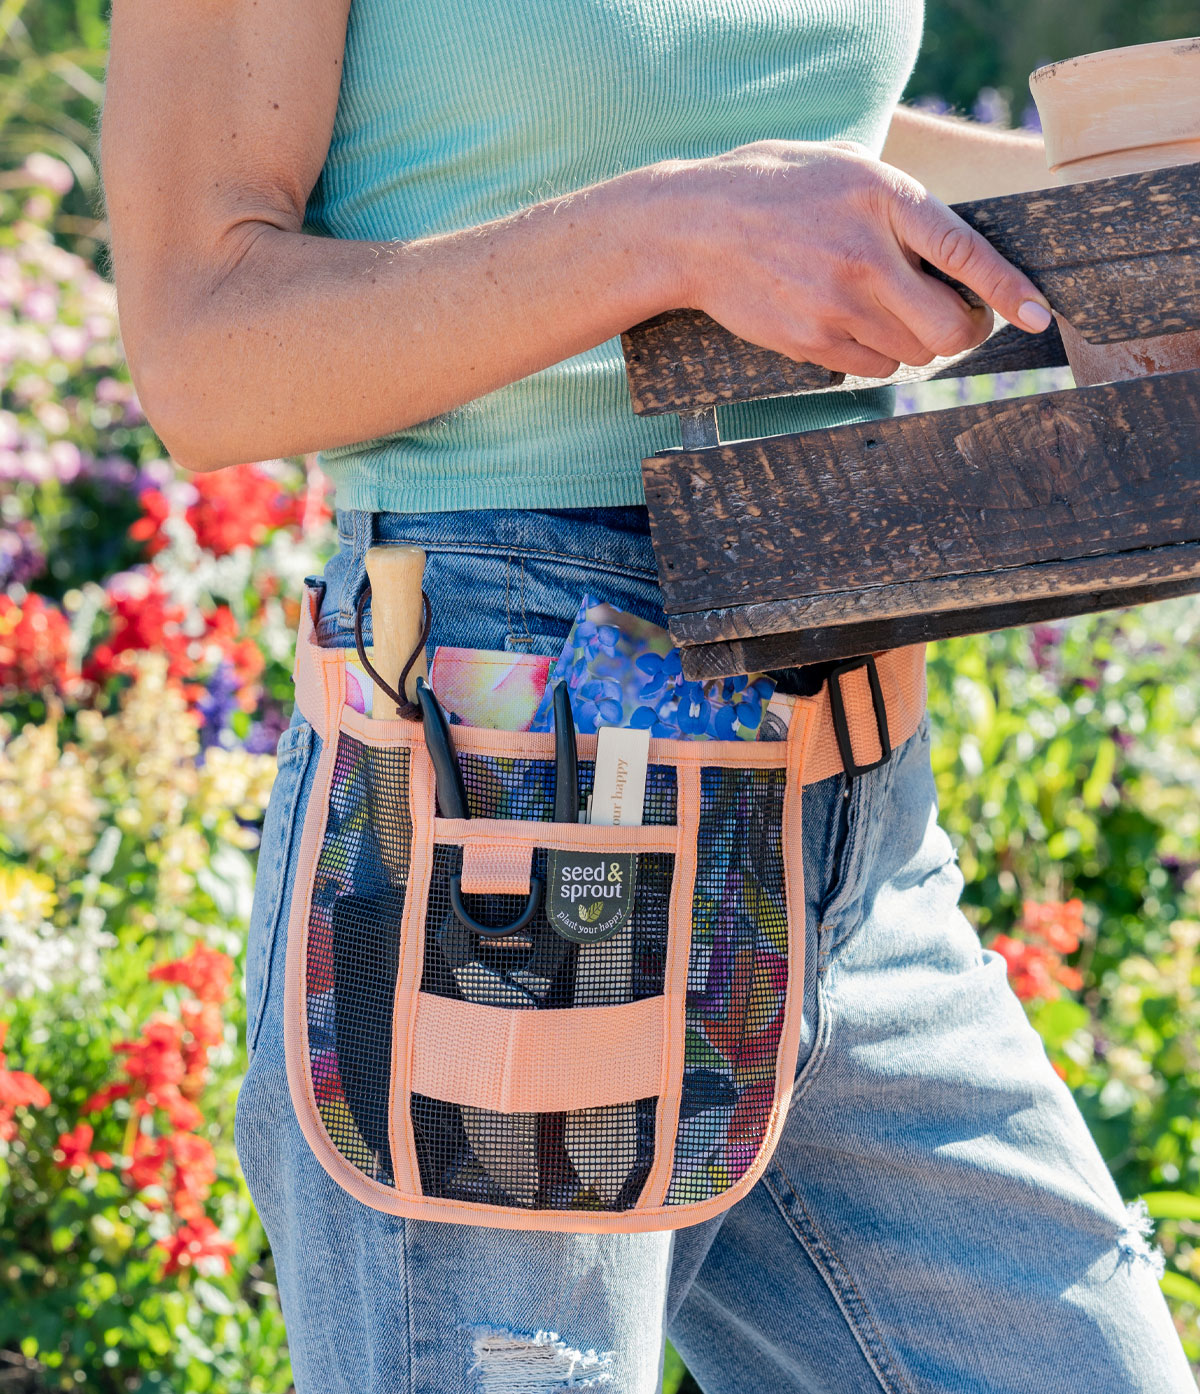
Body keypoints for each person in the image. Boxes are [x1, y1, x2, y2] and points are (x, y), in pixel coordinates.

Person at [100, 1, 1195, 1389]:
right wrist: (672, 231)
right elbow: (200, 353)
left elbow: (775, 127)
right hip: (518, 807)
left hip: (849, 817)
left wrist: (1130, 224)